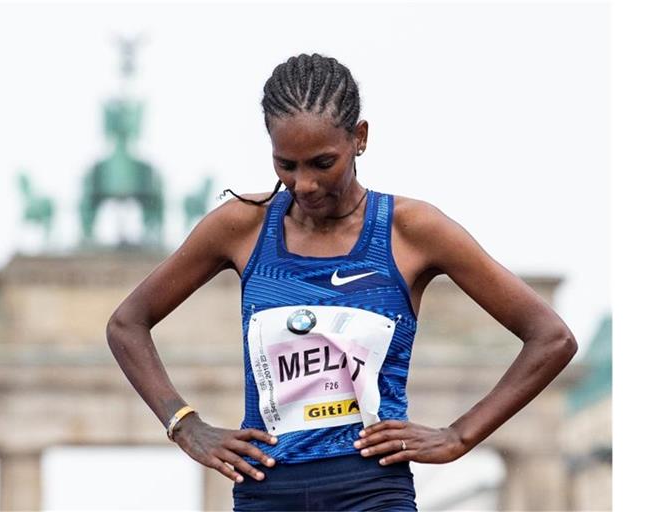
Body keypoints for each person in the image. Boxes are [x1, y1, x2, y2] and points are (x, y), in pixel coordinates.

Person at [106, 53, 578, 511]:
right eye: (286, 165)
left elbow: (551, 338)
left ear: (360, 138)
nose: (304, 184)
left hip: (371, 491)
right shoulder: (242, 227)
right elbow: (127, 323)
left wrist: (458, 435)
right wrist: (184, 425)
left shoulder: (410, 230)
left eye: (321, 163)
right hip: (265, 492)